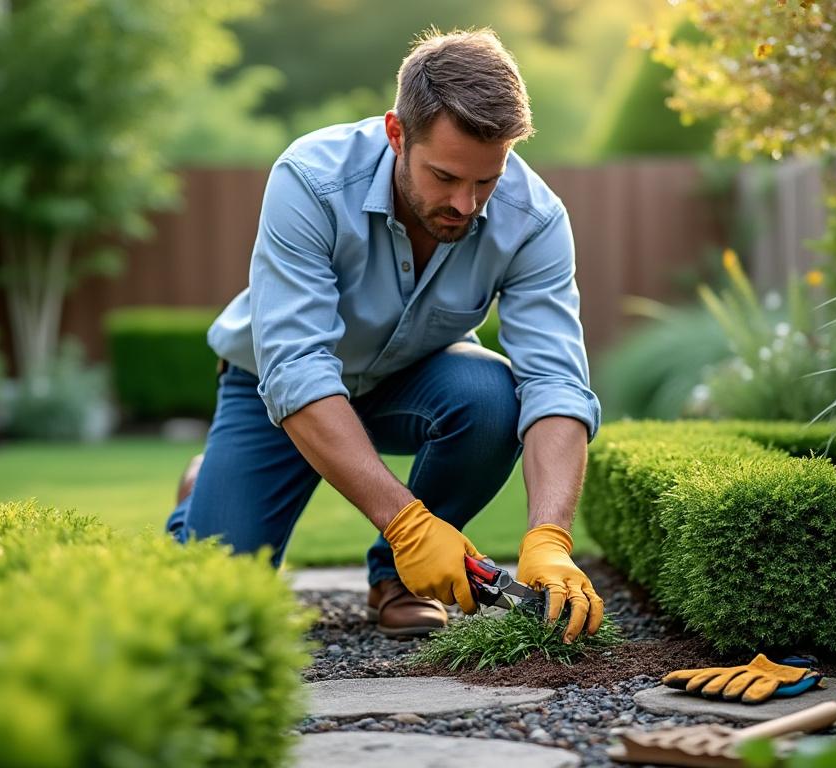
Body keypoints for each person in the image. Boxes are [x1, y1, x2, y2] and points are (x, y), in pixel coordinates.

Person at [167, 28, 604, 642]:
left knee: (491, 395)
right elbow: (295, 369)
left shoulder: (533, 218)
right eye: (446, 176)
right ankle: (201, 490)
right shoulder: (311, 180)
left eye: (487, 180)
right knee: (213, 607)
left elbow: (555, 382)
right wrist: (408, 523)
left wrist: (550, 536)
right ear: (397, 134)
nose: (467, 203)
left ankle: (396, 579)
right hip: (276, 398)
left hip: (411, 381)